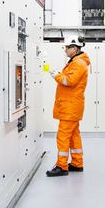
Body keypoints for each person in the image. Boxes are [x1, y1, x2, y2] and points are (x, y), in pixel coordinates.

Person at [44, 35, 91, 177]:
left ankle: (61, 166)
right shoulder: (76, 62)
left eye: (67, 47)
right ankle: (77, 163)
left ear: (75, 48)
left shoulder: (78, 64)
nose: (65, 50)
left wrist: (56, 75)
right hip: (71, 106)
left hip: (70, 107)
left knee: (63, 136)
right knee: (74, 136)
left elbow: (69, 81)